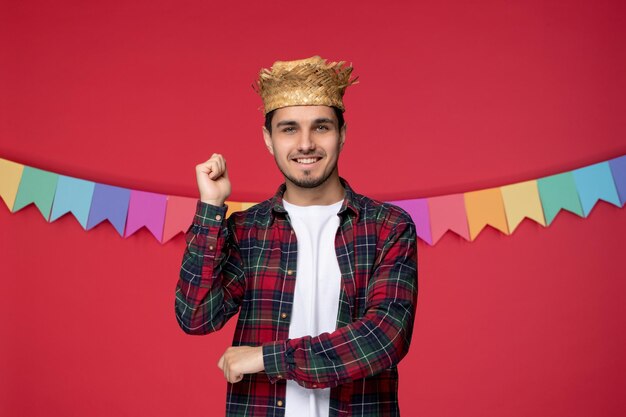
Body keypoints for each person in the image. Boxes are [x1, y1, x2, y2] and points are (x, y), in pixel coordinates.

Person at [175, 55, 418, 417]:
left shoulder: (388, 226)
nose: (305, 144)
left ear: (343, 134)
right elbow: (195, 316)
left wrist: (267, 358)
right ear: (268, 139)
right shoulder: (247, 230)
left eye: (321, 127)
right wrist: (211, 208)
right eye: (289, 129)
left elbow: (384, 337)